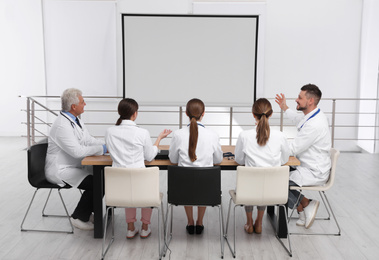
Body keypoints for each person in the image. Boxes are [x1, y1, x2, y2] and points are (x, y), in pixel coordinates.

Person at [105, 98, 171, 239]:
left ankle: (130, 228)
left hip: (119, 189)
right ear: (135, 114)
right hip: (141, 186)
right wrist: (158, 139)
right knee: (144, 190)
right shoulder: (142, 132)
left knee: (130, 191)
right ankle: (145, 227)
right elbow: (149, 156)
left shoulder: (109, 131)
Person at [45, 88, 107, 230]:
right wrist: (102, 149)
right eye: (82, 102)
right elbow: (77, 152)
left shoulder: (75, 120)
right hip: (60, 170)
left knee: (102, 178)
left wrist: (106, 144)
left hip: (72, 166)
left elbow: (88, 139)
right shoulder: (62, 126)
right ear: (74, 106)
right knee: (97, 182)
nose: (84, 104)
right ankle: (78, 217)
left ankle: (89, 213)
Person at [275, 84, 331, 229]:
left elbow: (293, 148)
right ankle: (302, 209)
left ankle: (306, 203)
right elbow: (297, 120)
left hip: (314, 171)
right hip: (308, 165)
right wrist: (285, 107)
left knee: (276, 181)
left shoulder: (314, 125)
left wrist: (270, 149)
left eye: (300, 97)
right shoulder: (313, 116)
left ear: (310, 101)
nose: (296, 100)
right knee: (278, 176)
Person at [235, 98, 290, 234]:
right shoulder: (280, 136)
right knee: (264, 183)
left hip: (248, 189)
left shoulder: (244, 135)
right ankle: (259, 223)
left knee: (251, 182)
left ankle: (249, 223)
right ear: (270, 114)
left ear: (253, 114)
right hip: (272, 190)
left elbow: (239, 160)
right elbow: (284, 160)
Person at [169, 98, 223, 235]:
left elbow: (173, 160)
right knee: (202, 182)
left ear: (186, 113)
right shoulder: (213, 135)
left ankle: (190, 221)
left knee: (187, 180)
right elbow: (218, 159)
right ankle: (200, 222)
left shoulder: (178, 134)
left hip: (183, 189)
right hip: (207, 187)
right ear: (203, 113)